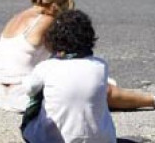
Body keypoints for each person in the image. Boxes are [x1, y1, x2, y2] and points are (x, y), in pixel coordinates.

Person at [0, 0, 155, 112]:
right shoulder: (46, 20)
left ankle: (149, 98)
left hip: (6, 93)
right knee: (96, 88)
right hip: (24, 94)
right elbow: (64, 55)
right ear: (54, 6)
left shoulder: (18, 17)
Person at [21, 9, 116, 142]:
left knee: (40, 94)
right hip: (104, 139)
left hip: (54, 139)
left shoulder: (47, 67)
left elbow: (29, 89)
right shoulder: (101, 65)